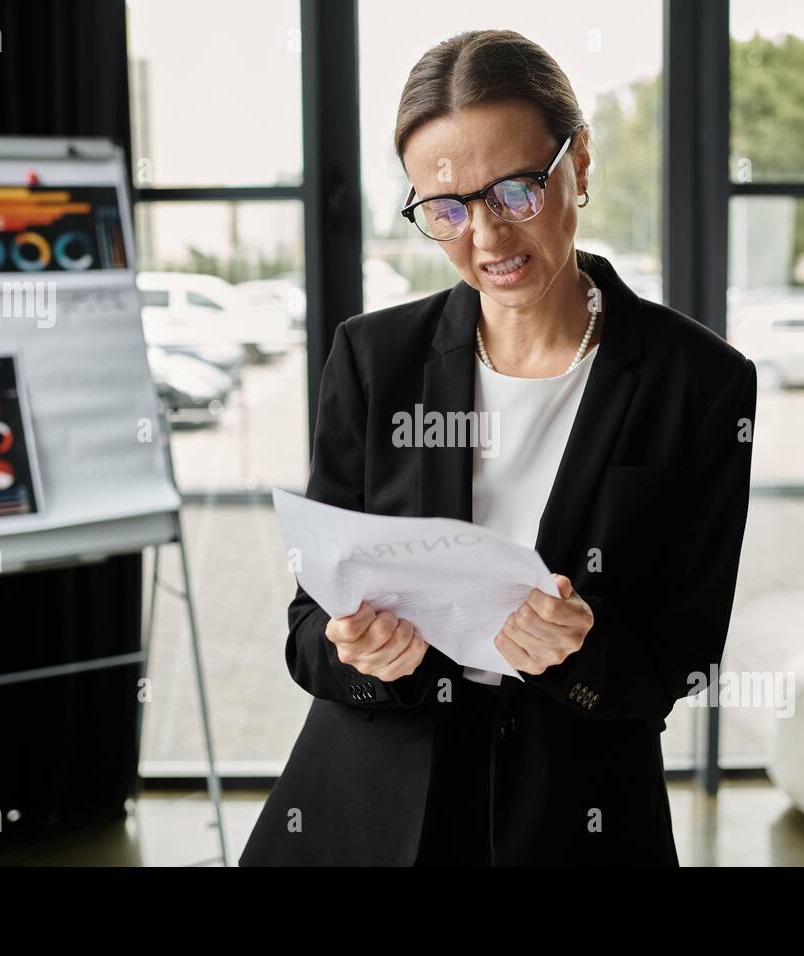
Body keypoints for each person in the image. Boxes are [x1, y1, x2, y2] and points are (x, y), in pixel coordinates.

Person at [239, 28, 756, 867]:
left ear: (579, 163)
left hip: (578, 807)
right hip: (369, 800)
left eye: (516, 190)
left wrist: (579, 652)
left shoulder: (701, 382)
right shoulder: (375, 360)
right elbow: (306, 628)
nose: (485, 237)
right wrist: (358, 653)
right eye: (444, 209)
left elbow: (687, 658)